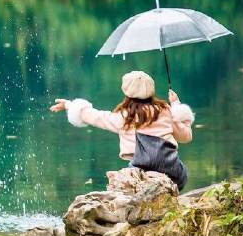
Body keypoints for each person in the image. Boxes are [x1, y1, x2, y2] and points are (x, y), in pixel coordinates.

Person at [49, 70, 195, 190]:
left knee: (126, 178)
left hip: (140, 178)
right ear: (151, 90)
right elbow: (186, 137)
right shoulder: (165, 111)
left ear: (127, 93)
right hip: (175, 177)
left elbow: (93, 116)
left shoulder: (124, 117)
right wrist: (177, 106)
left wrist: (69, 105)